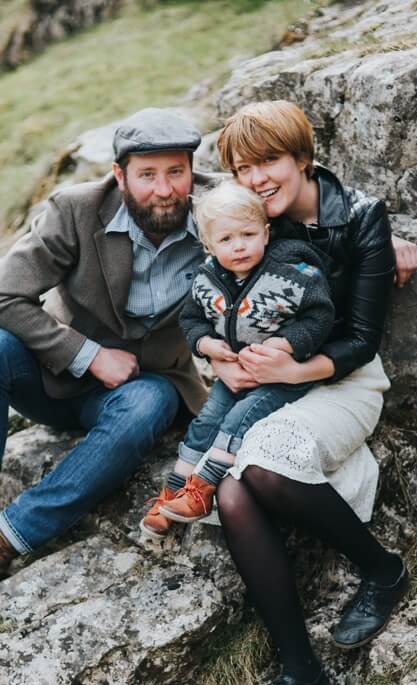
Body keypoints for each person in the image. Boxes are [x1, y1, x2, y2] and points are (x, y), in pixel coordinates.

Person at [0, 108, 214, 606]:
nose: (164, 189)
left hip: (146, 388)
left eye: (176, 172)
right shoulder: (75, 209)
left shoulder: (221, 203)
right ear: (119, 176)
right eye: (148, 175)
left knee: (149, 404)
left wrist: (382, 239)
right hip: (53, 380)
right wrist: (89, 355)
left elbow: (298, 192)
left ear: (192, 171)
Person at [210, 100, 417, 685]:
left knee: (265, 473)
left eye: (270, 161)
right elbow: (209, 285)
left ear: (303, 158)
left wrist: (294, 372)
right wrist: (212, 352)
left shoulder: (359, 217)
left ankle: (383, 571)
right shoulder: (245, 218)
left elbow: (360, 337)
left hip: (341, 381)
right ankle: (300, 670)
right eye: (242, 168)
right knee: (231, 492)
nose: (257, 179)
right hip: (261, 382)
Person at [142, 181, 334, 533]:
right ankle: (172, 493)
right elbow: (191, 318)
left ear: (265, 232)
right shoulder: (207, 278)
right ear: (209, 245)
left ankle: (203, 489)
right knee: (205, 421)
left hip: (280, 378)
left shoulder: (293, 272)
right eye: (227, 240)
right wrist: (206, 345)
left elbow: (320, 316)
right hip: (234, 375)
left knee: (238, 421)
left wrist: (287, 344)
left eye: (248, 234)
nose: (239, 246)